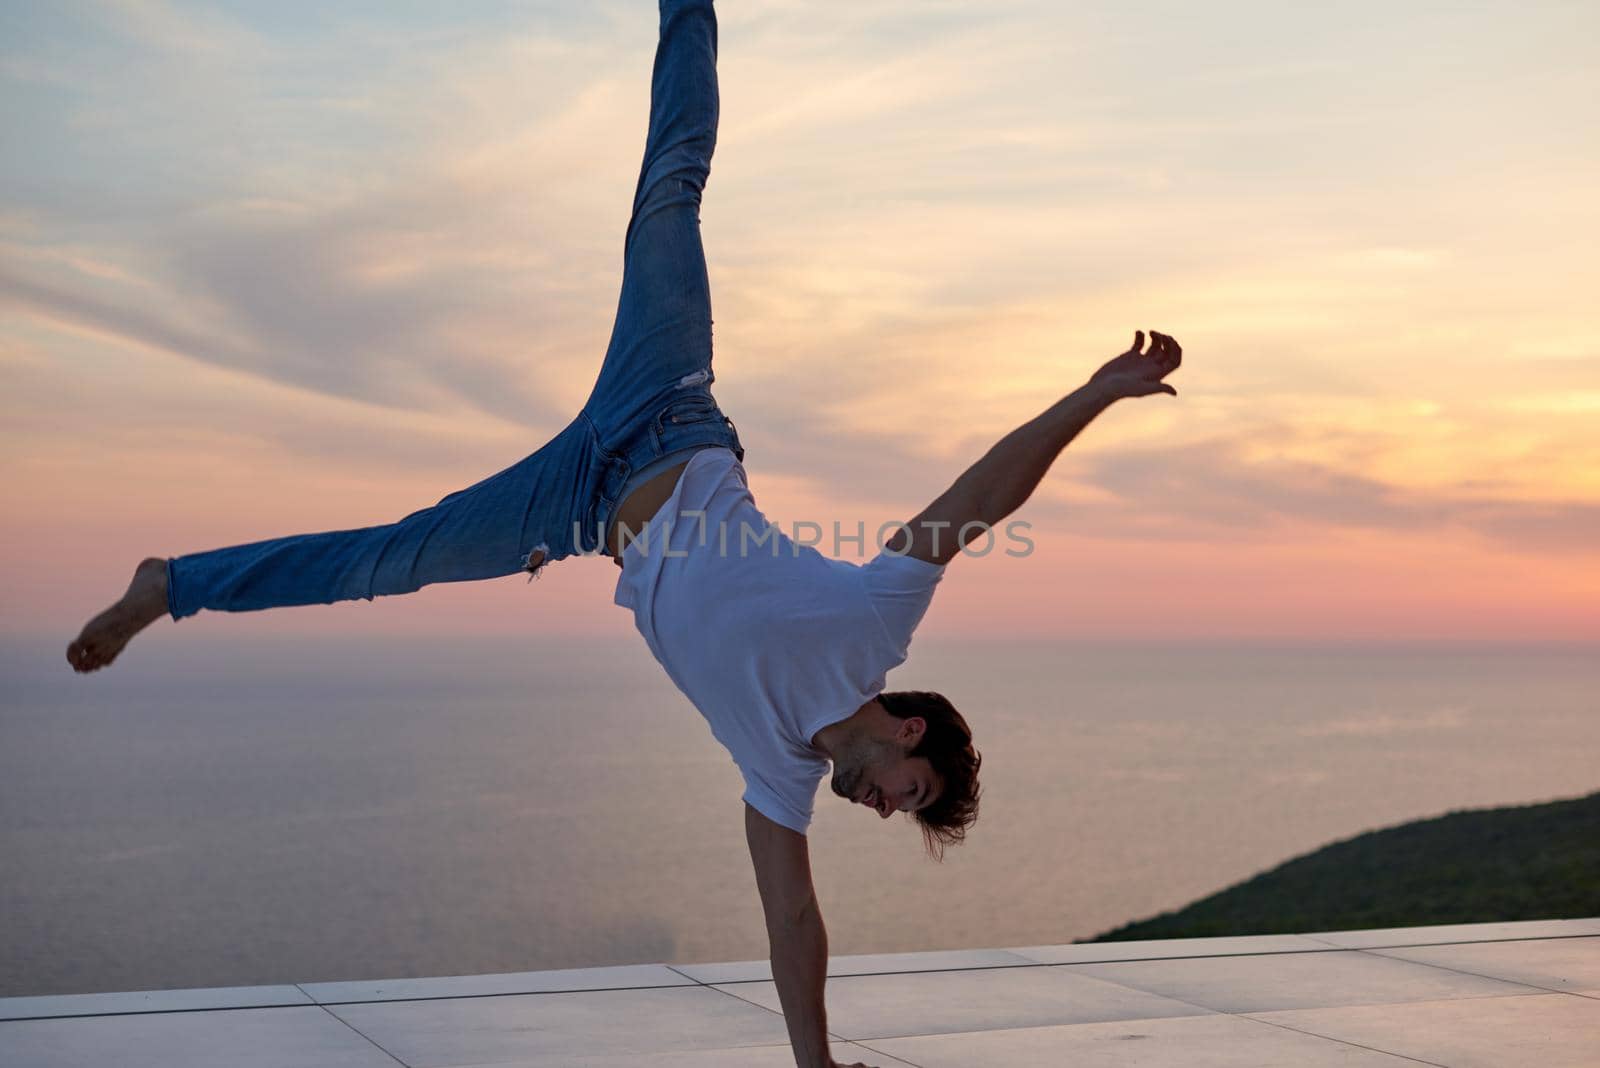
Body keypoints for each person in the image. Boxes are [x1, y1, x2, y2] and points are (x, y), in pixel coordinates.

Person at [65, 3, 1181, 1064]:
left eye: (901, 813)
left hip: (580, 508)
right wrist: (1093, 393)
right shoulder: (869, 623)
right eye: (911, 794)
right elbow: (978, 498)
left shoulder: (774, 776)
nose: (886, 810)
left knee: (386, 560)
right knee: (669, 197)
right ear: (909, 731)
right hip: (668, 408)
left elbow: (792, 921)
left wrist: (818, 1066)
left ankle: (174, 583)